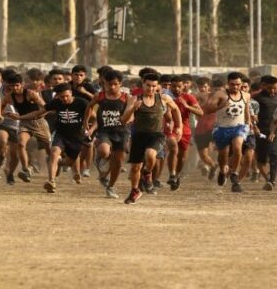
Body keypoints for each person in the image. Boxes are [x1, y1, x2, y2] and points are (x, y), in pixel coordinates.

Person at [13, 84, 89, 193]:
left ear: (71, 93)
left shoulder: (82, 103)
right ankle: (51, 181)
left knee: (68, 162)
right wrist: (20, 117)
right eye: (62, 97)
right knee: (54, 152)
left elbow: (94, 116)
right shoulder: (56, 103)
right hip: (60, 133)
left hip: (76, 136)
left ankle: (60, 163)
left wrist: (89, 128)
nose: (65, 99)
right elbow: (38, 113)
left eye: (67, 96)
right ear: (57, 96)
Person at [120, 73, 182, 204]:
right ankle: (135, 190)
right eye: (148, 85)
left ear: (158, 86)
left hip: (156, 135)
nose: (151, 89)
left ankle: (147, 172)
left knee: (150, 154)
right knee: (135, 168)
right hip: (139, 135)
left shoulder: (163, 98)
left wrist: (179, 126)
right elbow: (124, 120)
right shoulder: (134, 99)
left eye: (154, 86)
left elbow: (176, 110)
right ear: (143, 84)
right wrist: (133, 109)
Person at [203, 72, 252, 193]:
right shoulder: (220, 94)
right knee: (223, 154)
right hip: (222, 128)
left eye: (238, 84)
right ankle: (222, 170)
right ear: (227, 84)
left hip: (239, 127)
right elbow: (207, 109)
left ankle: (234, 174)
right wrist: (220, 106)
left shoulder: (246, 95)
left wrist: (249, 122)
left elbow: (246, 110)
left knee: (237, 146)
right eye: (232, 84)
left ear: (241, 84)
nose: (235, 87)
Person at [84, 69, 128, 198]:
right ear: (104, 83)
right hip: (105, 131)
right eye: (109, 84)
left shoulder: (126, 97)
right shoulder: (100, 96)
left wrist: (129, 119)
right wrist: (86, 121)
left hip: (121, 132)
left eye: (115, 84)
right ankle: (100, 160)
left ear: (120, 83)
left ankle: (111, 186)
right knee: (103, 151)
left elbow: (131, 112)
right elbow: (89, 106)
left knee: (118, 162)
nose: (112, 87)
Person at [165, 75, 203, 191]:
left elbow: (200, 113)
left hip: (185, 129)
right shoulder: (165, 97)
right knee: (173, 147)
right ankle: (172, 174)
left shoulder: (188, 97)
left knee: (182, 157)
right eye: (174, 86)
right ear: (170, 86)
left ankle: (176, 176)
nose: (176, 89)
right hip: (170, 128)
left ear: (183, 86)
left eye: (179, 86)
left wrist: (187, 106)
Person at [253, 75, 277, 190]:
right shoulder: (257, 98)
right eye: (270, 88)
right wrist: (255, 128)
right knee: (261, 158)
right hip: (261, 131)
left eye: (275, 88)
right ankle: (268, 179)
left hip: (276, 130)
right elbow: (252, 115)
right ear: (264, 86)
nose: (272, 90)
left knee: (275, 153)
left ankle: (272, 180)